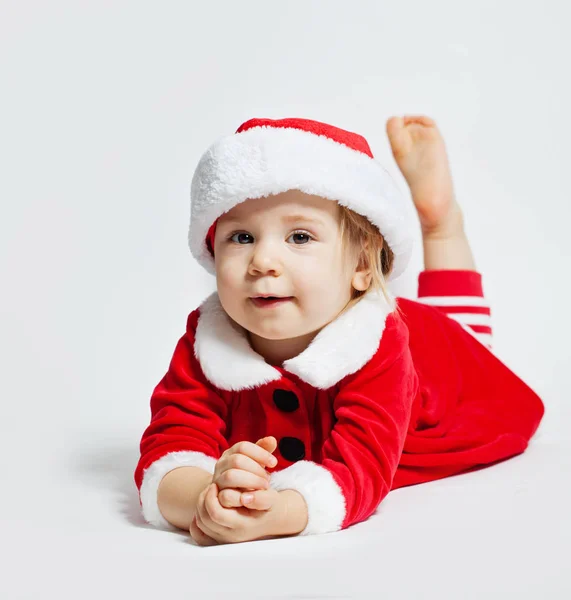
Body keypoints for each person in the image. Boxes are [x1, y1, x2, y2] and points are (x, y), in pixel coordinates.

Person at [133, 116, 545, 546]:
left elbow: (362, 468)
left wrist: (279, 514)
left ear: (363, 268)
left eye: (299, 236)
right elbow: (171, 440)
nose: (262, 261)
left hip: (438, 375)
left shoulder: (376, 344)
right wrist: (204, 498)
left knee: (467, 351)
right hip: (413, 344)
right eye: (240, 237)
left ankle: (440, 224)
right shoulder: (207, 340)